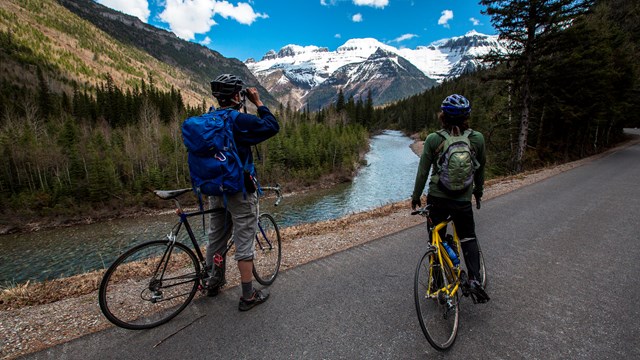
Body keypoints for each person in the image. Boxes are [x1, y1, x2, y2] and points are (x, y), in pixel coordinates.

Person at [205, 74, 279, 311]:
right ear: (238, 96)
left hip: (215, 189)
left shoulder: (208, 119)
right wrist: (258, 102)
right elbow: (272, 126)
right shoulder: (239, 120)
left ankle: (213, 282)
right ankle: (248, 296)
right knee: (244, 240)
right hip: (240, 190)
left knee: (216, 238)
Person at [411, 94, 489, 303]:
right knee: (468, 238)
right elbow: (480, 171)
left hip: (437, 199)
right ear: (467, 117)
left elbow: (423, 172)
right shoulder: (477, 139)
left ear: (443, 116)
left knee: (435, 239)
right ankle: (474, 280)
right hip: (462, 200)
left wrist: (416, 196)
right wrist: (478, 192)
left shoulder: (434, 139)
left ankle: (437, 283)